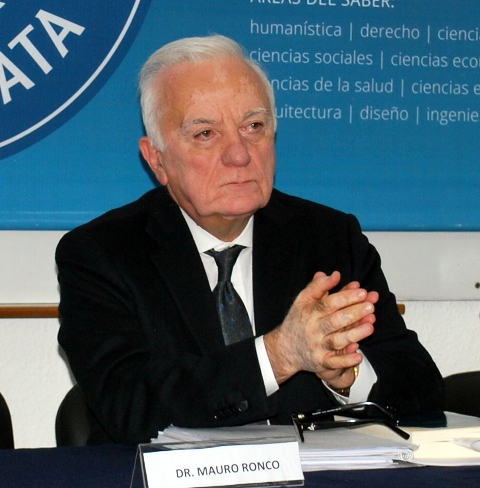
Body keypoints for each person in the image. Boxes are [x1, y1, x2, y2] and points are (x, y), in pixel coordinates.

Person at [56, 35, 445, 445]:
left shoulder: (330, 238)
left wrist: (347, 375)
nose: (239, 155)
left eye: (253, 127)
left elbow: (421, 388)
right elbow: (128, 404)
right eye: (206, 133)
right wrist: (278, 355)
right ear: (157, 158)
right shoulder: (101, 253)